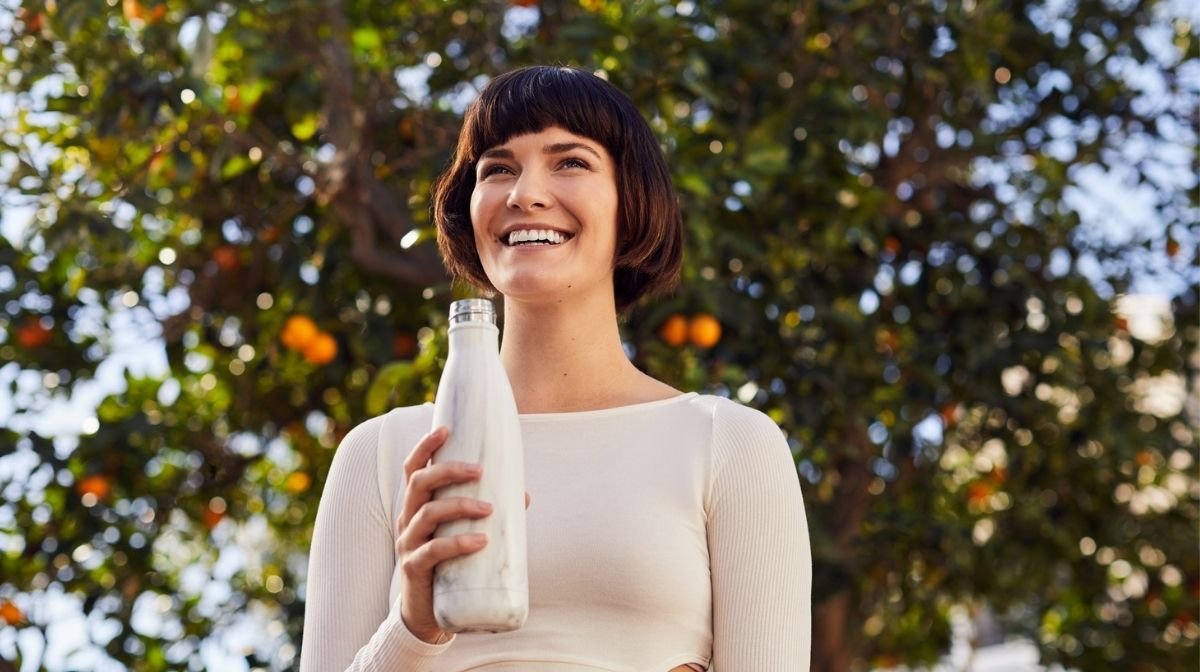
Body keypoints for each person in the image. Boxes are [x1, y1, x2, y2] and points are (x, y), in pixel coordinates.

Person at [299, 65, 812, 671]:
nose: (525, 194)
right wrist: (412, 625)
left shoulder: (728, 445)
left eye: (570, 162)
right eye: (498, 168)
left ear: (632, 201)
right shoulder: (382, 454)